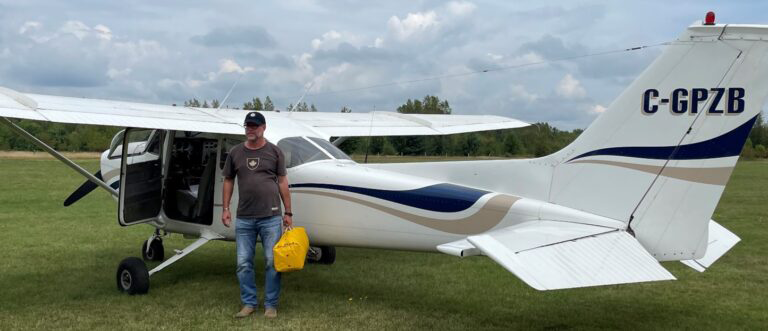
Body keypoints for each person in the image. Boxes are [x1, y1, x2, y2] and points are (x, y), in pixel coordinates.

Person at [221, 111, 292, 319]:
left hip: (271, 217)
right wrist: (225, 209)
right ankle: (249, 303)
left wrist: (288, 212)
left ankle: (271, 304)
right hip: (244, 217)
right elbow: (228, 180)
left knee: (272, 261)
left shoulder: (275, 152)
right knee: (243, 263)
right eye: (248, 126)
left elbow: (282, 182)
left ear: (264, 128)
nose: (250, 129)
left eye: (254, 126)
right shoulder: (235, 152)